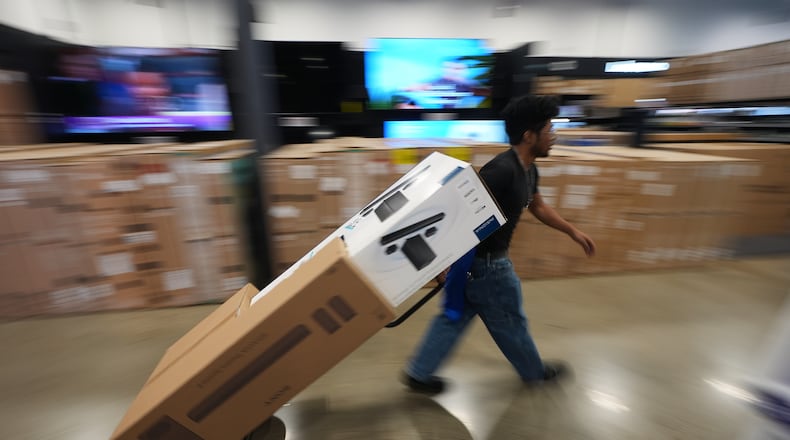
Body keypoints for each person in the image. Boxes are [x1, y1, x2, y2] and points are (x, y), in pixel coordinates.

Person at [402, 94, 597, 393]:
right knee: (509, 319)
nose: (554, 137)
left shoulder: (528, 168)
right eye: (549, 131)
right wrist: (442, 263)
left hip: (478, 266)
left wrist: (572, 231)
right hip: (487, 265)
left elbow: (537, 206)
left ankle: (419, 372)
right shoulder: (501, 170)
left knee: (456, 315)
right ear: (529, 136)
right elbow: (461, 213)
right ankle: (533, 372)